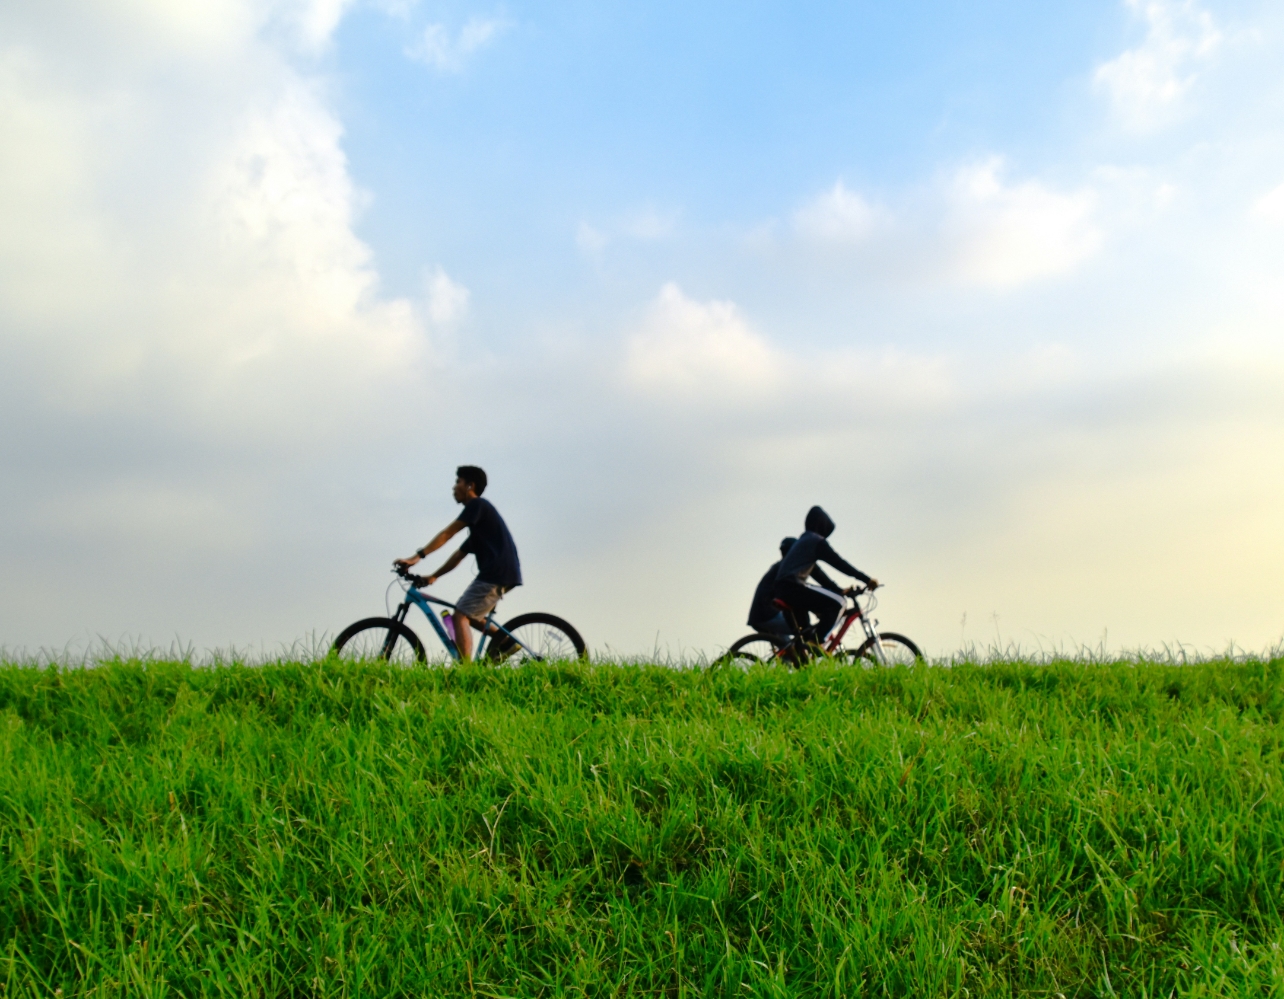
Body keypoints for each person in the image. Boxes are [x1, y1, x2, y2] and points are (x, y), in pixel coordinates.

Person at [394, 465, 521, 662]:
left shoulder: (477, 506)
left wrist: (416, 557)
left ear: (470, 485)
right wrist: (434, 575)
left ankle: (466, 669)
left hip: (496, 572)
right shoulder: (480, 523)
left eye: (458, 482)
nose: (454, 487)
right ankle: (507, 644)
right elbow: (458, 556)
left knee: (460, 615)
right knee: (472, 615)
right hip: (503, 572)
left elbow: (448, 533)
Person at [773, 505, 877, 646]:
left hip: (784, 588)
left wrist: (838, 589)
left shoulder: (805, 541)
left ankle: (802, 655)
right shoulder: (816, 541)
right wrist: (867, 579)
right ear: (822, 526)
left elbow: (817, 574)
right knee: (839, 603)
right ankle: (817, 642)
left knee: (806, 635)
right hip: (793, 587)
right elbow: (839, 563)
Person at [747, 537, 845, 637]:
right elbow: (806, 591)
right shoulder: (790, 568)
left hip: (759, 616)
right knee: (805, 631)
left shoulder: (780, 567)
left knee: (789, 648)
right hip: (768, 616)